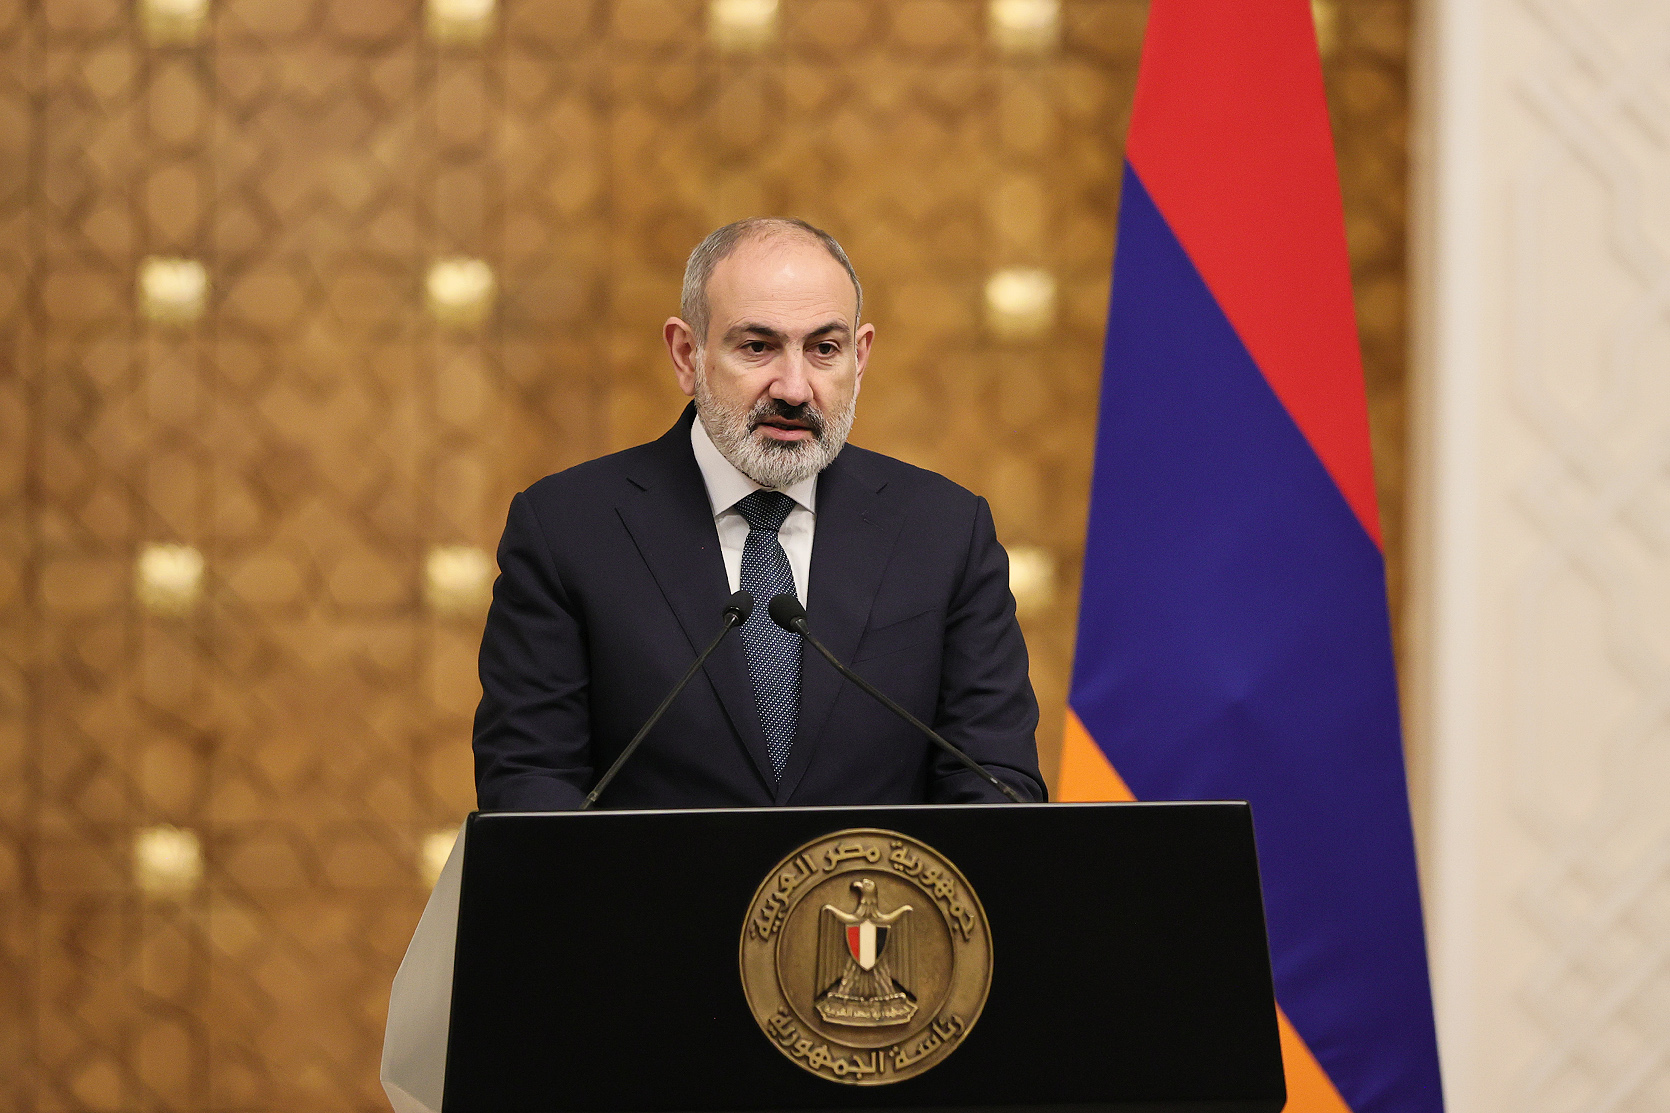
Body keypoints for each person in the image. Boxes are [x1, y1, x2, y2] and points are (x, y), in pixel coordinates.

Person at [472, 218, 1045, 809]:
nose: (794, 389)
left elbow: (995, 782)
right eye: (757, 347)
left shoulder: (944, 531)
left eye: (824, 349)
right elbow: (529, 782)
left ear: (860, 356)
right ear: (687, 354)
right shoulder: (568, 530)